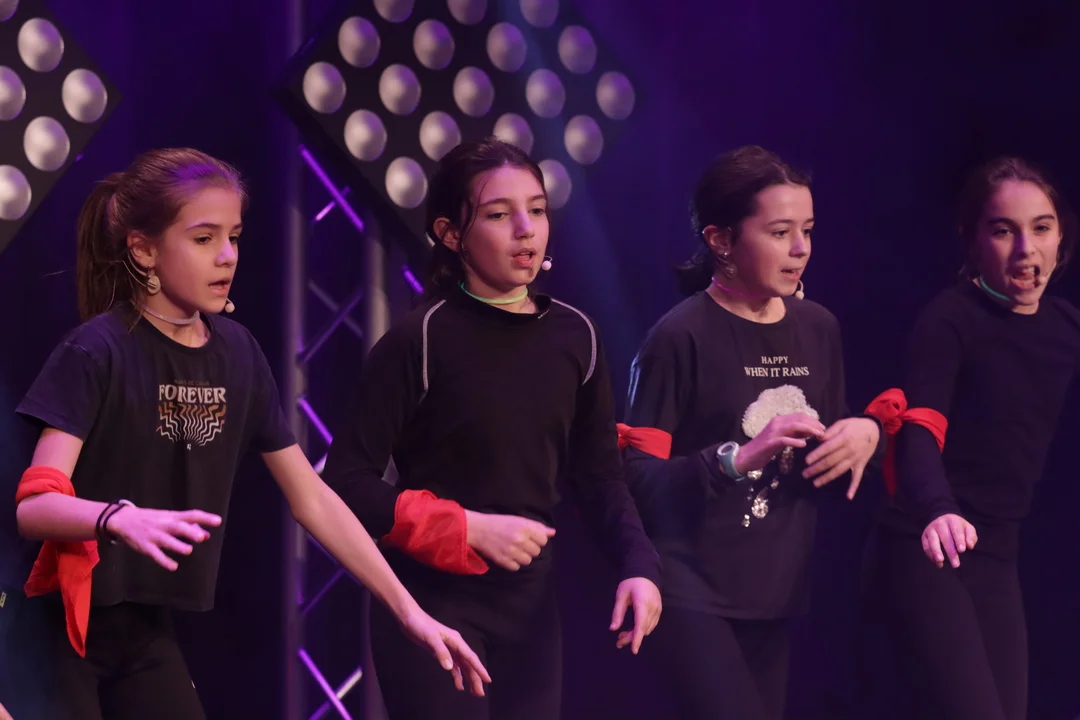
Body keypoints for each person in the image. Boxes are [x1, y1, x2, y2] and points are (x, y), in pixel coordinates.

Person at [11, 148, 489, 720]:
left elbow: (312, 499)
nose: (227, 256)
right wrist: (117, 518)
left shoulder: (237, 353)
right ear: (143, 250)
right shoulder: (97, 350)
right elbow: (34, 507)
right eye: (204, 238)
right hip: (53, 628)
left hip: (144, 629)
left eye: (234, 237)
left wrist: (409, 612)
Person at [321, 137, 663, 720]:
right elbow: (345, 485)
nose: (526, 230)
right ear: (451, 234)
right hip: (433, 607)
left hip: (531, 615)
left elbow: (600, 475)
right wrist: (466, 527)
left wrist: (639, 565)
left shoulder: (575, 335)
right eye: (500, 215)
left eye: (537, 210)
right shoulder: (419, 339)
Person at [619, 145, 882, 720]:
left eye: (807, 230)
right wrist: (735, 460)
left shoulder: (819, 328)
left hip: (777, 594)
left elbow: (828, 453)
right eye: (781, 232)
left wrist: (866, 435)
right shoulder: (679, 337)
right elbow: (635, 482)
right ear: (721, 240)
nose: (800, 248)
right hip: (691, 593)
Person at [863, 155, 1080, 720]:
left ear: (1061, 236)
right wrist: (938, 510)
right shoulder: (951, 319)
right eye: (1003, 231)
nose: (1026, 249)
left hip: (998, 555)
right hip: (927, 547)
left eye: (1041, 228)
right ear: (972, 241)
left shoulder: (1066, 329)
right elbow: (919, 432)